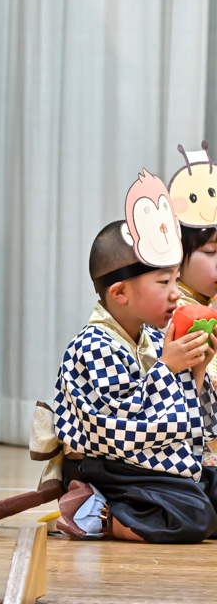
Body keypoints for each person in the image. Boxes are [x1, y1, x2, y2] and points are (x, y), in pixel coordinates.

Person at [53, 219, 217, 542]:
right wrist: (167, 369)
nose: (176, 294)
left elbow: (184, 421)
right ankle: (97, 514)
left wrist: (197, 371)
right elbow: (121, 430)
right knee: (193, 515)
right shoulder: (92, 346)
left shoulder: (154, 339)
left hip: (147, 461)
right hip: (107, 465)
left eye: (176, 280)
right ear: (120, 292)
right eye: (163, 282)